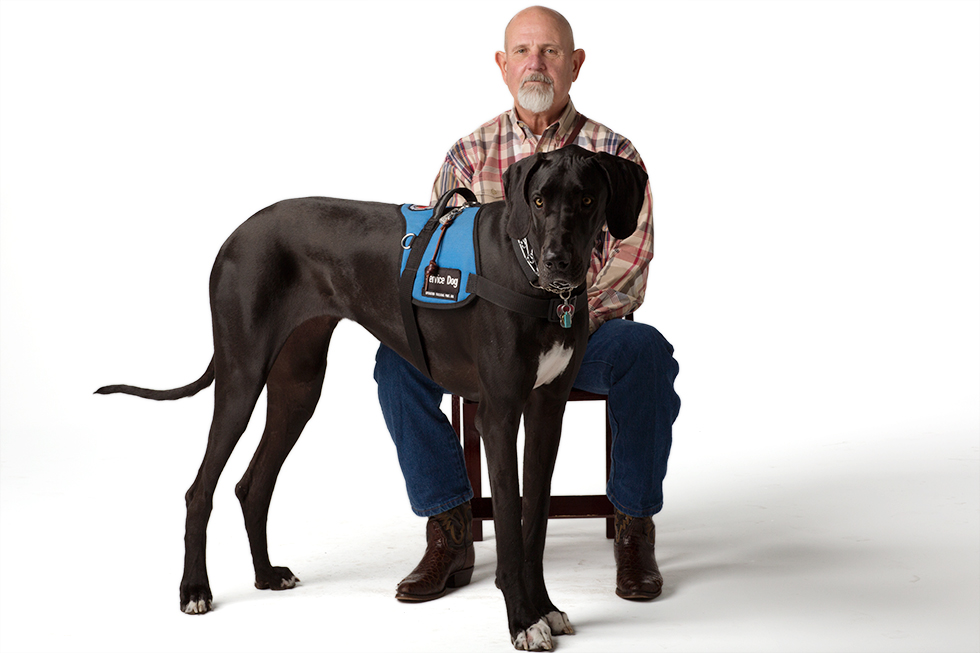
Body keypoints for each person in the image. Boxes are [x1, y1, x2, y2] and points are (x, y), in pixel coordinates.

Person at [374, 5, 680, 603]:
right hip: (483, 343)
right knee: (397, 360)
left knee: (645, 353)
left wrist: (560, 318)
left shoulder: (614, 154)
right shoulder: (469, 154)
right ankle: (449, 525)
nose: (535, 63)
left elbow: (630, 261)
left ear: (575, 64)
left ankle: (634, 524)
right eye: (522, 51)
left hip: (582, 334)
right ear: (502, 64)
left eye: (550, 51)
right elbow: (438, 258)